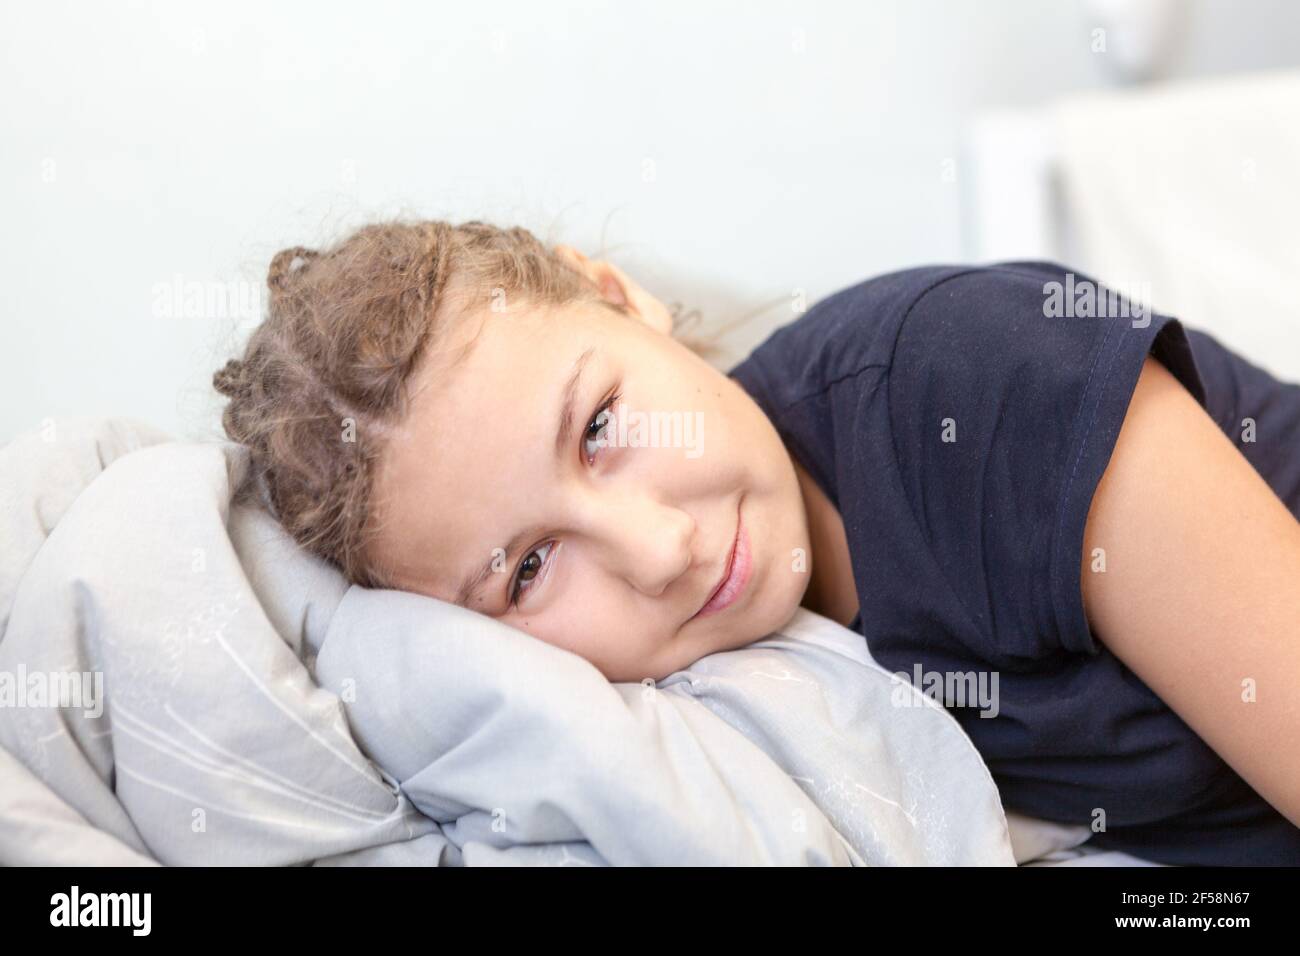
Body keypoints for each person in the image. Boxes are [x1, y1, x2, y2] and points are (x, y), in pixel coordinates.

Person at [213, 219, 1300, 865]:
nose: (658, 548)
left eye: (599, 427)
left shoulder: (971, 382)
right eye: (530, 567)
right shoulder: (705, 706)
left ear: (622, 299)